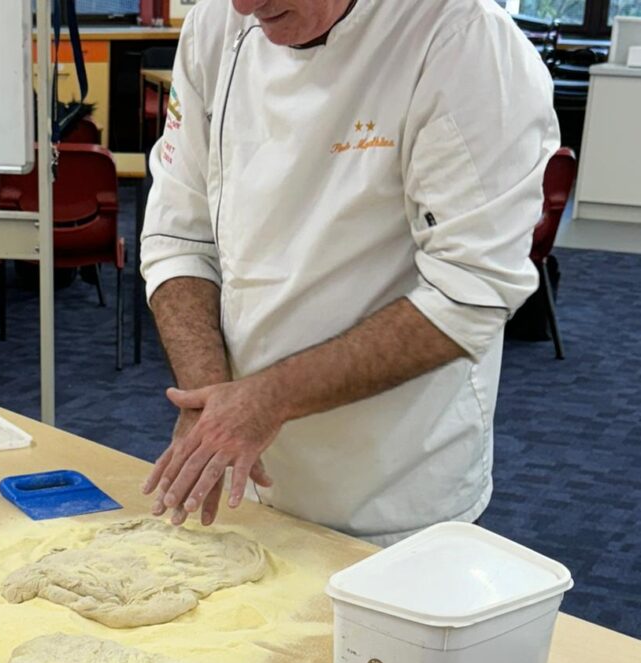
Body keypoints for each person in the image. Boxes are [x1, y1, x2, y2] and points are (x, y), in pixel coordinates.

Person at [139, 0, 559, 542]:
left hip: (390, 488)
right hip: (246, 469)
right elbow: (179, 235)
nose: (245, 6)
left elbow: (470, 292)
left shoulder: (464, 40)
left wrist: (270, 398)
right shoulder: (218, 23)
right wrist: (208, 396)